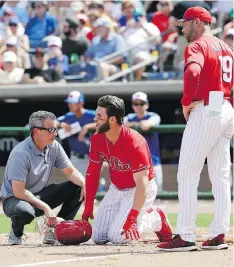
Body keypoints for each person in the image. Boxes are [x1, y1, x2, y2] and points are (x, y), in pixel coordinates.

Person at [158, 7, 234, 251]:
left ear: (199, 23)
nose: (183, 27)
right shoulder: (227, 48)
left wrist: (186, 101)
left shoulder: (198, 45)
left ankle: (186, 235)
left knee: (187, 173)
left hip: (207, 107)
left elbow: (192, 71)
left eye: (186, 23)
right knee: (220, 176)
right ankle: (219, 233)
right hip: (225, 107)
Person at [82, 95, 172, 244]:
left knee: (118, 237)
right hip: (116, 188)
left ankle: (157, 218)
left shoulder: (134, 141)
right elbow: (92, 174)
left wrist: (132, 218)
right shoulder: (97, 138)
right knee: (98, 237)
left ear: (112, 119)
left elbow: (142, 186)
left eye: (99, 116)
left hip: (139, 189)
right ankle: (127, 219)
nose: (94, 119)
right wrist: (89, 205)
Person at [0, 111, 86, 245]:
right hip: (15, 200)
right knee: (24, 211)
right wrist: (46, 207)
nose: (55, 133)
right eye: (50, 129)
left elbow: (70, 171)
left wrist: (86, 185)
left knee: (78, 187)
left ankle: (55, 229)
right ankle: (16, 234)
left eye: (55, 129)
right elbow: (19, 192)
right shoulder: (20, 153)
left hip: (39, 196)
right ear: (36, 131)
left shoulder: (54, 146)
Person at [124, 92, 163, 192]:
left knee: (156, 194)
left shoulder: (153, 116)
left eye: (141, 103)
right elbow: (119, 125)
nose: (139, 106)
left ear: (147, 105)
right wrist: (135, 124)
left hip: (152, 161)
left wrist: (135, 125)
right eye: (136, 104)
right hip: (134, 163)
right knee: (134, 195)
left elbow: (146, 125)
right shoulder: (129, 117)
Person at [57, 91, 96, 176]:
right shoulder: (68, 116)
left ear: (81, 103)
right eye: (69, 103)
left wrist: (87, 127)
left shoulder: (91, 114)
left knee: (91, 187)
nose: (70, 105)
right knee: (76, 187)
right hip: (74, 158)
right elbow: (53, 122)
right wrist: (61, 124)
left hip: (91, 159)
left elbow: (106, 122)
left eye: (73, 102)